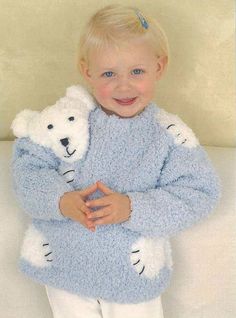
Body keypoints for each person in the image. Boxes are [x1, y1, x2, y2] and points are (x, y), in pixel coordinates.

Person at [12, 4, 221, 318]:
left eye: (137, 71)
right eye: (109, 73)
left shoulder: (167, 135)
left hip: (131, 275)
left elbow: (201, 192)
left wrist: (134, 208)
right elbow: (28, 167)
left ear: (159, 67)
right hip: (66, 267)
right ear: (87, 72)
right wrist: (59, 200)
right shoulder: (68, 118)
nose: (124, 85)